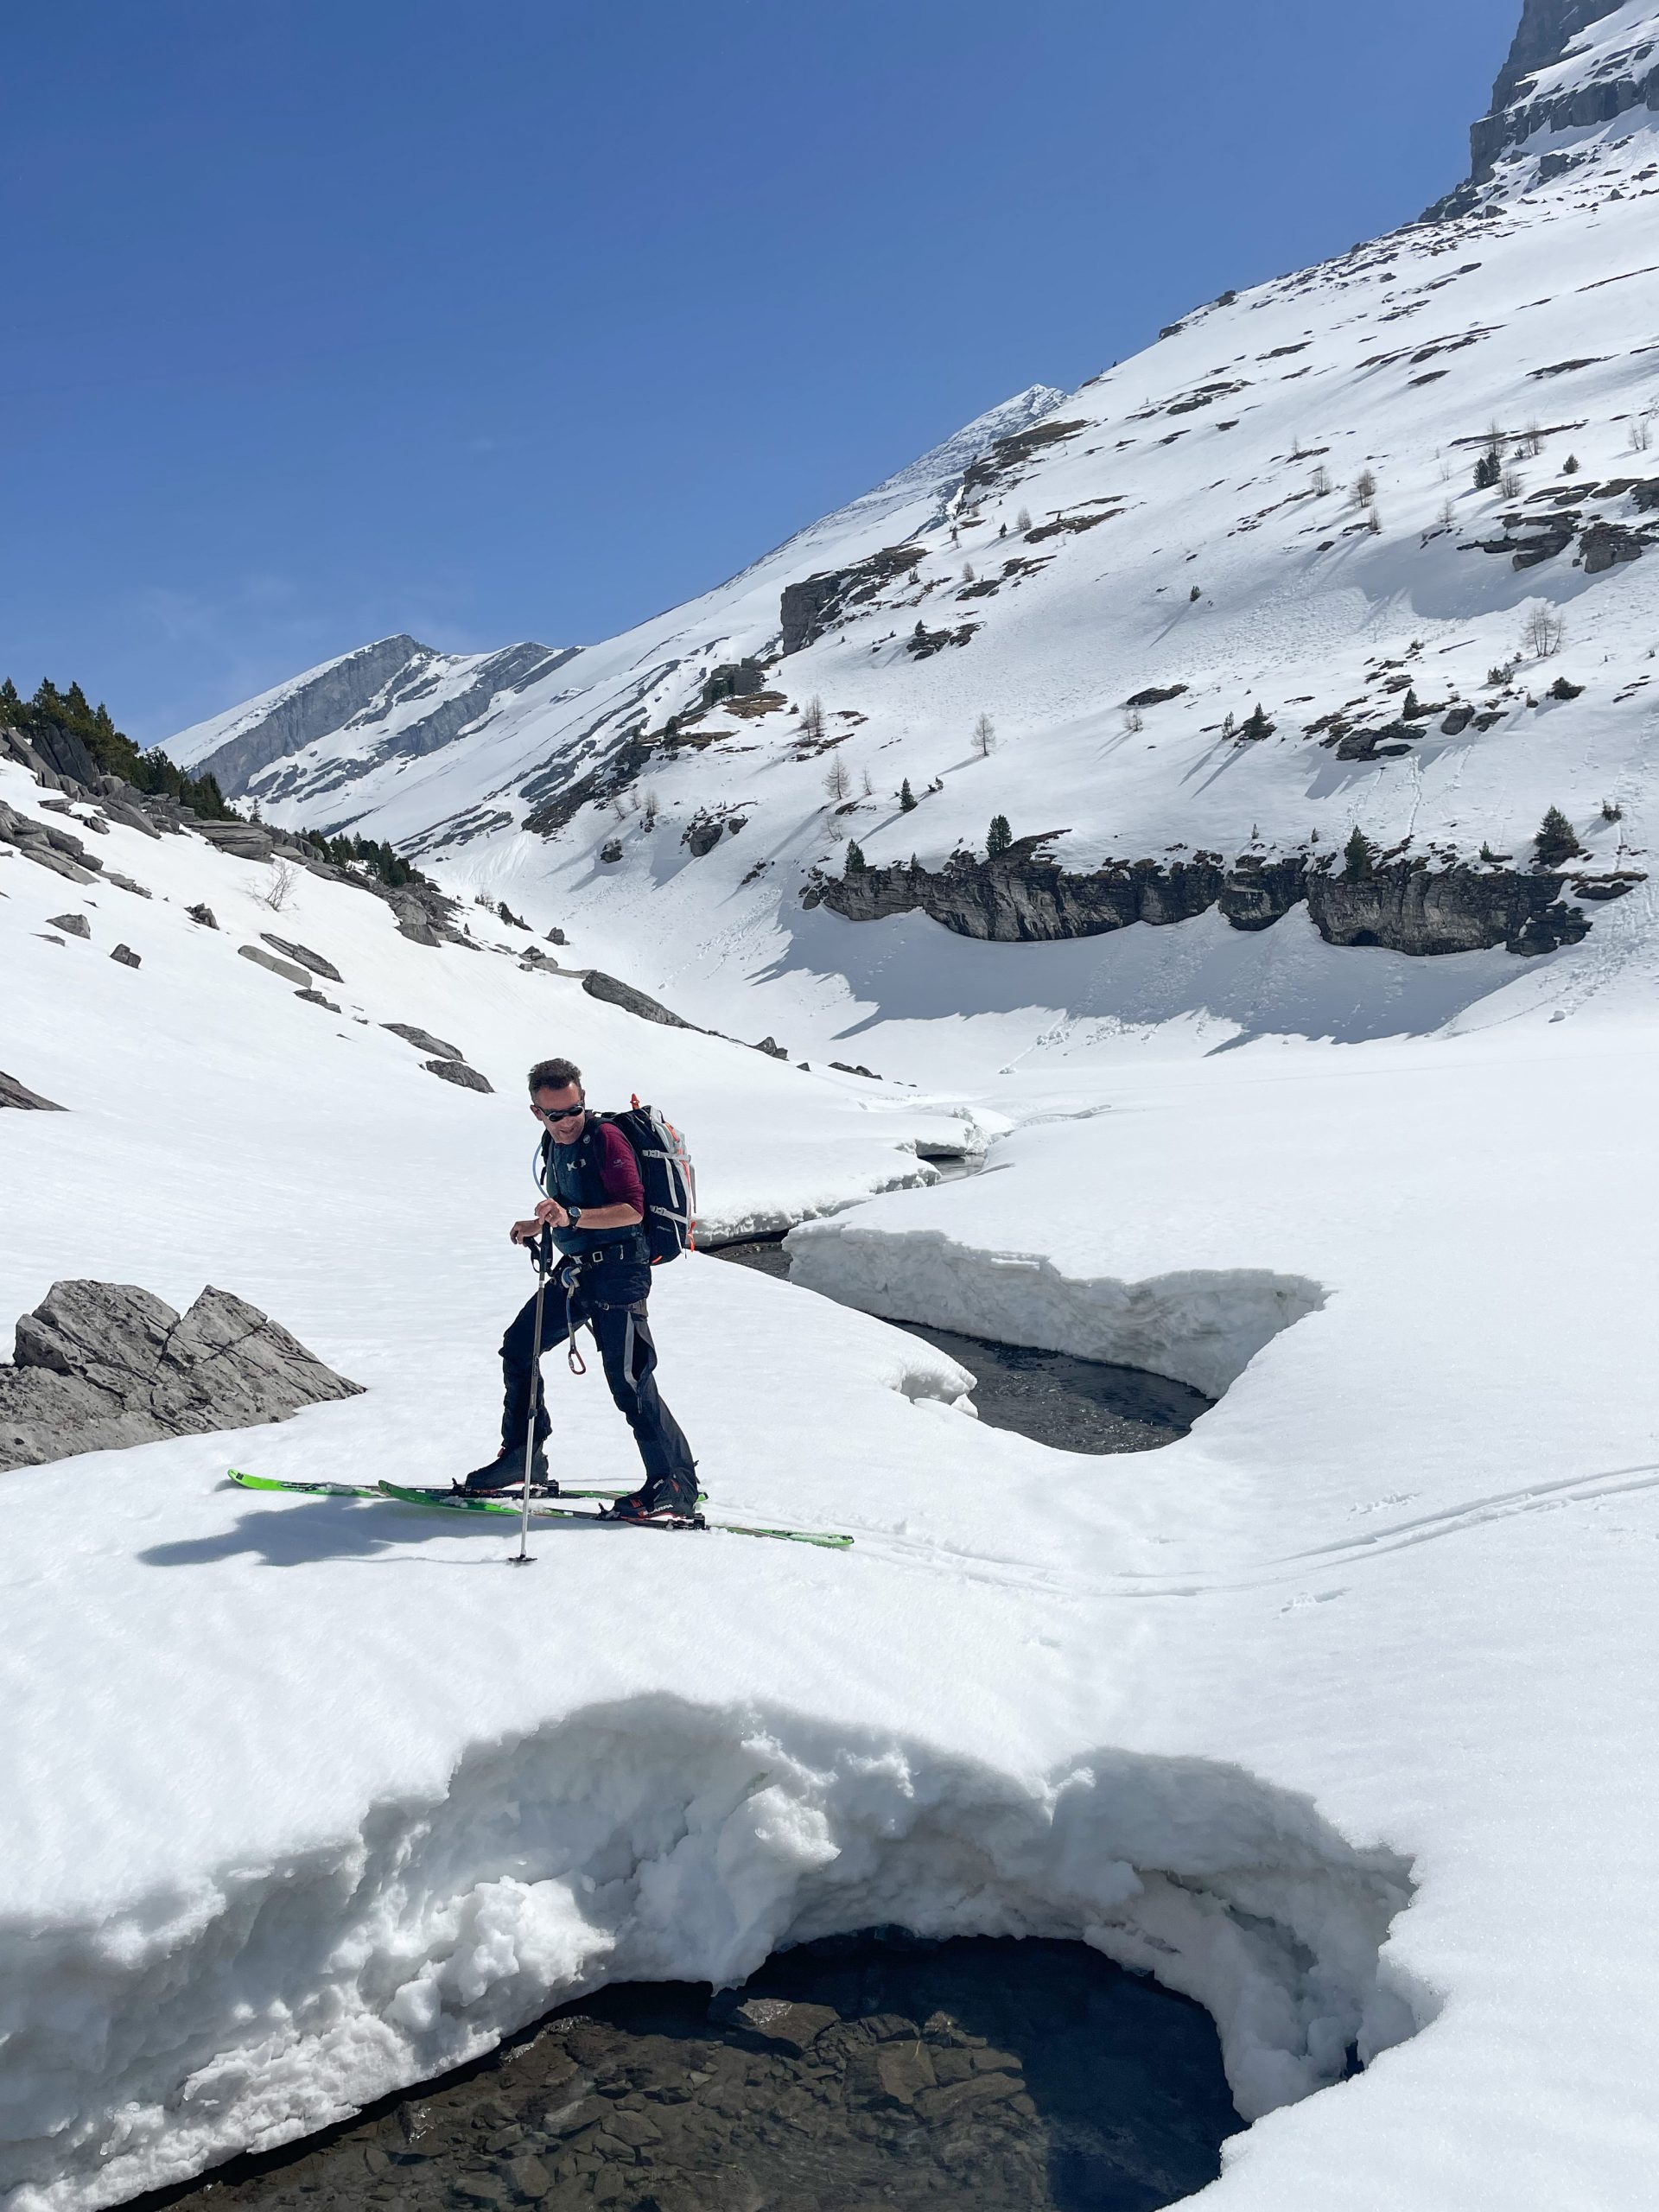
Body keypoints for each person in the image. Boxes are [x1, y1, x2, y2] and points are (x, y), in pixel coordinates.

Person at [461, 1056, 699, 1523]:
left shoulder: (606, 1138)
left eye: (575, 1109)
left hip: (620, 1273)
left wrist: (569, 1218)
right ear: (537, 1113)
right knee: (518, 1348)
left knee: (630, 1380)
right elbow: (574, 1203)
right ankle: (524, 1455)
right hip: (577, 1273)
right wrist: (541, 1223)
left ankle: (673, 1483)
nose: (568, 1121)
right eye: (556, 1114)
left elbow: (632, 1209)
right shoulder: (552, 1146)